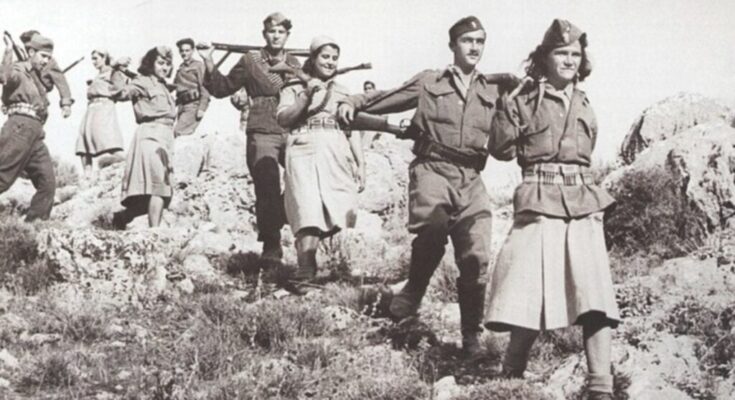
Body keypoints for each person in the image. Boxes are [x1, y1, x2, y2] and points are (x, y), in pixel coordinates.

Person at [338, 16, 499, 358]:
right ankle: (414, 290)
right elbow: (387, 98)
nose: (474, 47)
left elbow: (509, 136)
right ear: (453, 45)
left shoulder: (491, 90)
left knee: (476, 257)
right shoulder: (429, 81)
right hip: (432, 170)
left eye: (480, 41)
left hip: (471, 179)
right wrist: (353, 102)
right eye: (467, 40)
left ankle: (471, 335)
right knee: (432, 229)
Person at [483, 19, 619, 400]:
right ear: (545, 57)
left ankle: (600, 387)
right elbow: (501, 150)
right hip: (539, 200)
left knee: (594, 295)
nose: (570, 60)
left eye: (576, 54)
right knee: (526, 289)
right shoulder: (523, 100)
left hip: (582, 202)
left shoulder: (585, 102)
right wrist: (506, 108)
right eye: (562, 53)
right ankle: (511, 375)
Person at [198, 12, 301, 260]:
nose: (276, 36)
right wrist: (208, 62)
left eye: (281, 31)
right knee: (266, 186)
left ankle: (280, 218)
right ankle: (271, 246)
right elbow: (222, 89)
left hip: (292, 129)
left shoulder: (297, 63)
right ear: (264, 34)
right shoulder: (251, 60)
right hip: (262, 128)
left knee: (302, 180)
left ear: (287, 35)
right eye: (271, 31)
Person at [276, 36, 365, 283]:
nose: (330, 62)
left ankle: (319, 255)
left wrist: (361, 164)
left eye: (334, 58)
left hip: (335, 146)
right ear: (312, 59)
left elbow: (353, 129)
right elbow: (283, 119)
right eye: (325, 57)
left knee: (344, 203)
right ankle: (306, 265)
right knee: (307, 206)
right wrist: (305, 95)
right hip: (304, 144)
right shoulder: (293, 86)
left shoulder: (343, 91)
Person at [110, 46, 176, 229]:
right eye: (160, 63)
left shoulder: (163, 86)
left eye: (168, 64)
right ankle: (154, 234)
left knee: (158, 192)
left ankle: (122, 218)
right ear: (151, 64)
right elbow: (121, 94)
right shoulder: (142, 81)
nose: (164, 68)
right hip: (150, 136)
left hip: (166, 138)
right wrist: (115, 70)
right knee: (159, 187)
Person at [0, 35, 57, 222]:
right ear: (31, 52)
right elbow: (4, 76)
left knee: (47, 183)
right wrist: (8, 52)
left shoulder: (35, 78)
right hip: (19, 128)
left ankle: (33, 225)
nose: (46, 61)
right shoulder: (18, 69)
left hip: (35, 134)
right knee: (2, 178)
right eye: (43, 56)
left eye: (49, 57)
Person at [1, 30, 74, 119]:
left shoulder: (49, 62)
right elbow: (10, 80)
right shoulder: (23, 62)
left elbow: (61, 81)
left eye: (29, 41)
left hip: (41, 95)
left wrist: (66, 104)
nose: (27, 45)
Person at [75, 49, 125, 177]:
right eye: (92, 59)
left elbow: (120, 88)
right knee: (84, 138)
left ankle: (117, 165)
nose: (94, 62)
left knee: (105, 137)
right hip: (91, 108)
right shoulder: (98, 75)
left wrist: (107, 92)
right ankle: (87, 173)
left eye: (96, 58)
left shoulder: (112, 72)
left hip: (104, 107)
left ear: (104, 58)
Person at [173, 38, 210, 137]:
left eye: (187, 50)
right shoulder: (180, 68)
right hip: (182, 105)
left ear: (193, 51)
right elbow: (176, 88)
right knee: (179, 135)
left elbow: (205, 87)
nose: (184, 53)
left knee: (179, 132)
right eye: (182, 51)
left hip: (193, 105)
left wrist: (202, 108)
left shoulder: (198, 66)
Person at [359, 80, 381, 147]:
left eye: (369, 88)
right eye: (365, 89)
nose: (367, 91)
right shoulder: (363, 102)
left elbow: (384, 116)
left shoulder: (379, 101)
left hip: (375, 130)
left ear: (374, 90)